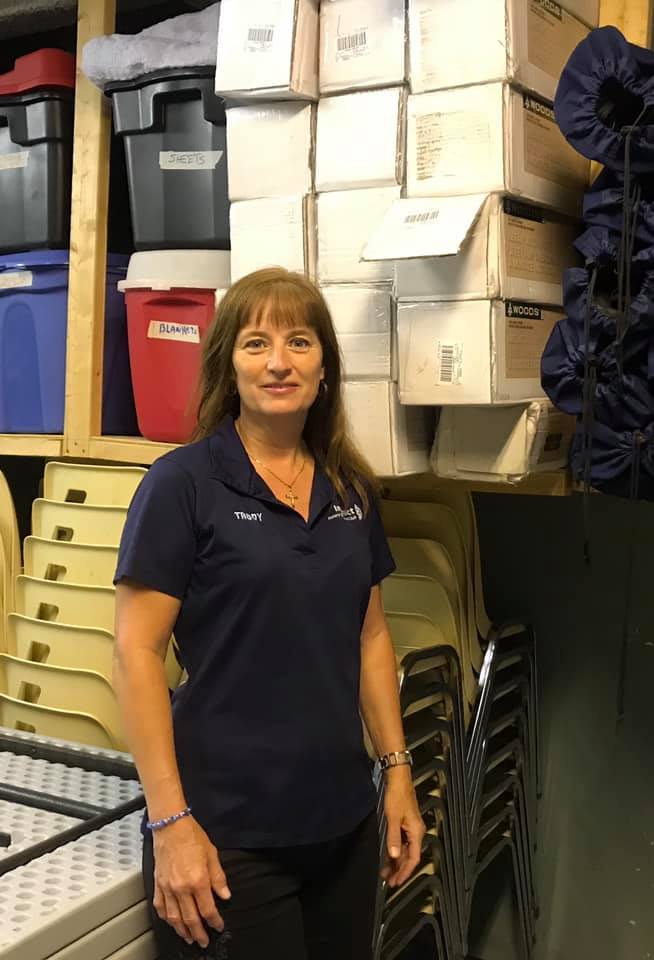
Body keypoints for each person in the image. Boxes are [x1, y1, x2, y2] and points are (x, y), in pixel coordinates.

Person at [113, 267, 426, 960]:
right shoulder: (182, 485)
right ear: (229, 365)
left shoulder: (351, 489)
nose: (279, 361)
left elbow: (370, 635)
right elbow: (136, 654)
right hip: (226, 837)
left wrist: (398, 771)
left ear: (324, 367)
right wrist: (170, 823)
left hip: (342, 824)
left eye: (299, 342)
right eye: (256, 343)